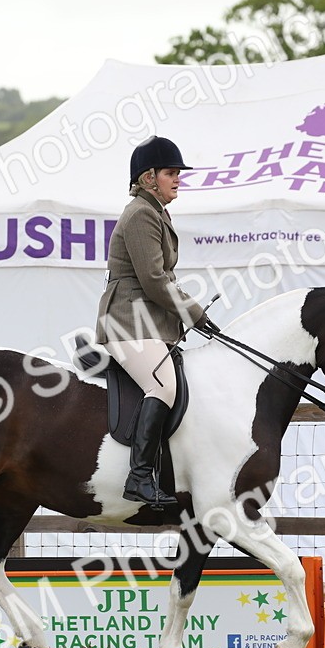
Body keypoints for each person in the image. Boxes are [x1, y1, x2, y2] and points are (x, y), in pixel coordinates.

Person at [95, 135, 219, 507]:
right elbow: (153, 280)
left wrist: (192, 316)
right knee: (163, 386)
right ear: (148, 178)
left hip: (147, 323)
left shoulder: (157, 213)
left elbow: (164, 279)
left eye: (177, 172)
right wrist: (194, 312)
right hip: (126, 322)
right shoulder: (140, 214)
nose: (177, 178)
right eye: (170, 173)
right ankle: (138, 478)